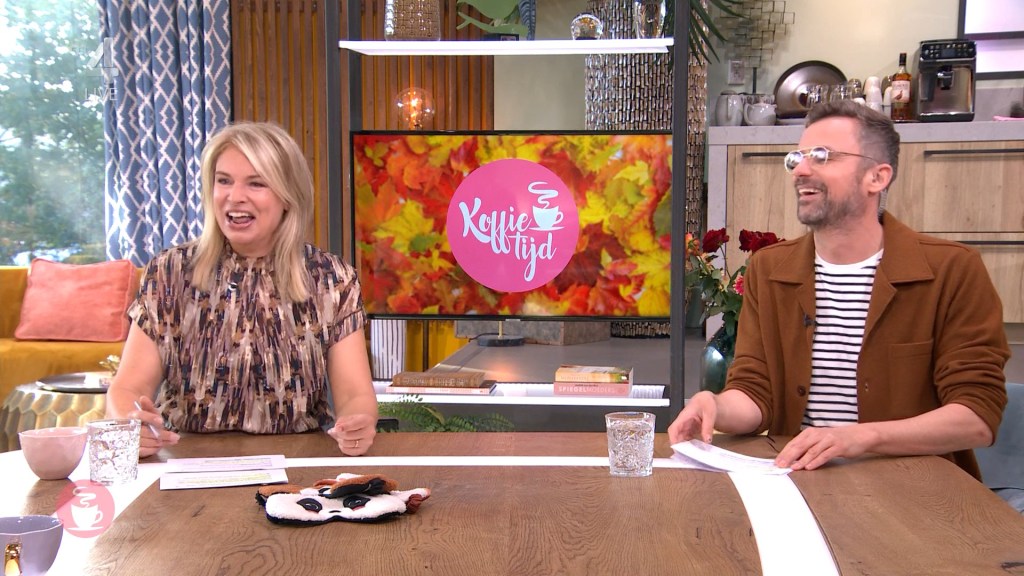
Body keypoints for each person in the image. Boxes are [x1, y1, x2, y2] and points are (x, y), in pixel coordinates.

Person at [669, 100, 1010, 479]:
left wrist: (859, 438)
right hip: (802, 480)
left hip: (916, 487)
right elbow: (755, 391)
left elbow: (977, 415)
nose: (801, 169)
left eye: (822, 156)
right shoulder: (769, 269)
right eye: (797, 158)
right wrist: (714, 405)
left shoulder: (951, 270)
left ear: (877, 177)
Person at [106, 122, 378, 458]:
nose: (234, 197)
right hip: (185, 460)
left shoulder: (332, 278)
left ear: (288, 196)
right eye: (223, 181)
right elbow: (128, 386)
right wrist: (129, 421)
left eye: (256, 183)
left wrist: (357, 424)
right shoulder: (169, 272)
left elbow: (355, 394)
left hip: (297, 461)